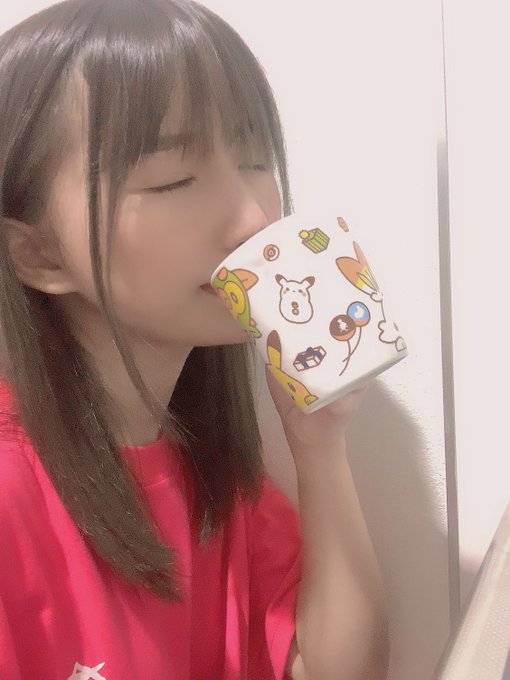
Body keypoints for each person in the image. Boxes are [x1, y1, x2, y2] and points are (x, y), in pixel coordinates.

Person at [0, 0, 390, 678]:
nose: (254, 220)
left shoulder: (217, 481)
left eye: (255, 160)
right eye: (173, 180)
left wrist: (319, 444)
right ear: (40, 254)